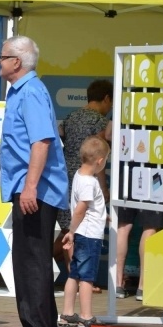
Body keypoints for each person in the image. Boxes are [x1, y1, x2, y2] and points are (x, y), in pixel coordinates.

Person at [0, 36, 68, 327]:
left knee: (32, 262)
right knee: (29, 260)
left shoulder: (31, 93)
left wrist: (30, 186)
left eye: (2, 56)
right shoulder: (23, 91)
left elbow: (41, 142)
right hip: (31, 188)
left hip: (35, 192)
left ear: (16, 62)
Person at [57, 78, 112, 292]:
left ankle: (74, 275)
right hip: (88, 177)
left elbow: (61, 136)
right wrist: (104, 188)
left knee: (68, 227)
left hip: (67, 176)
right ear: (106, 98)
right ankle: (83, 279)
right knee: (83, 230)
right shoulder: (99, 122)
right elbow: (97, 158)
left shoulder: (71, 117)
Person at [58, 136, 109, 327]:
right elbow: (81, 209)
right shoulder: (90, 182)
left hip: (82, 232)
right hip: (88, 235)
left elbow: (90, 207)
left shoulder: (79, 175)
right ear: (100, 161)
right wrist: (71, 231)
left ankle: (68, 313)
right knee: (87, 277)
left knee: (75, 274)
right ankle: (86, 316)